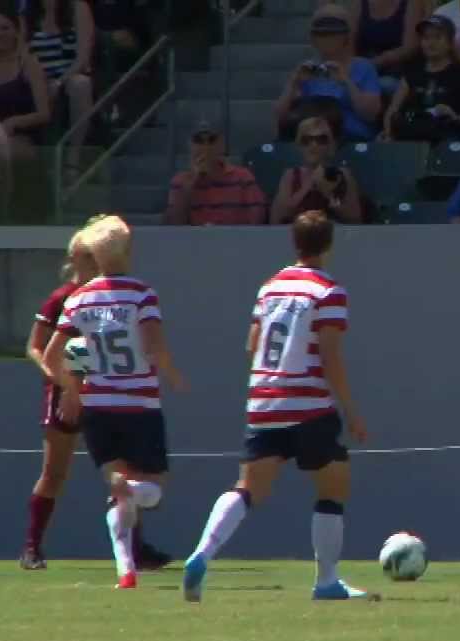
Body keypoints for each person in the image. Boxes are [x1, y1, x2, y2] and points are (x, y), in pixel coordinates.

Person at [182, 211, 373, 603]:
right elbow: (330, 356)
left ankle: (202, 552)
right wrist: (352, 411)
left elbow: (252, 345)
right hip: (308, 404)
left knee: (247, 488)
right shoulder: (328, 291)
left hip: (264, 400)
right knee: (334, 484)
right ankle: (326, 581)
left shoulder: (270, 287)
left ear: (294, 242)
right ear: (329, 244)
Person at [41, 216, 187, 590]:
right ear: (128, 251)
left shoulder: (80, 298)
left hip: (98, 408)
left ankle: (126, 570)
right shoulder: (141, 293)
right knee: (151, 492)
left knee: (117, 491)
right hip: (139, 404)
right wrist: (172, 373)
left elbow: (61, 350)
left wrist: (73, 390)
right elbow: (154, 343)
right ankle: (130, 491)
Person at [274, 5, 383, 142]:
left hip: (350, 137)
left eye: (333, 33)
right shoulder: (307, 69)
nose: (326, 38)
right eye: (320, 34)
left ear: (346, 36)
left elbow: (370, 114)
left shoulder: (364, 67)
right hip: (310, 138)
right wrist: (293, 83)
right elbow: (280, 117)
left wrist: (346, 81)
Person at [383, 15, 460, 141]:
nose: (431, 43)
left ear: (450, 43)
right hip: (413, 135)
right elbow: (393, 110)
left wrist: (456, 118)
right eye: (426, 37)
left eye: (437, 37)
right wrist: (388, 133)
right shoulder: (412, 73)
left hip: (449, 136)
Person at [24, 0, 93, 178]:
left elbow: (82, 59)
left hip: (69, 74)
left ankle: (73, 158)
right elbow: (22, 57)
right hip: (37, 76)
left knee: (81, 84)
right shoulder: (27, 12)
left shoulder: (77, 8)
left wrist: (60, 82)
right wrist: (40, 81)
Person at [0, 8, 51, 164]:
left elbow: (44, 114)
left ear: (16, 32)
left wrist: (14, 122)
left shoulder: (29, 64)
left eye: (5, 28)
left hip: (22, 138)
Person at [165, 123, 269, 225]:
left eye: (211, 140)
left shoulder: (243, 177)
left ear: (221, 145)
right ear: (190, 146)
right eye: (198, 141)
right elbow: (174, 227)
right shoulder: (179, 182)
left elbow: (258, 220)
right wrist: (187, 189)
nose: (206, 147)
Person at [270, 116, 364, 224]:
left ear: (331, 145)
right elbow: (277, 219)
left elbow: (355, 219)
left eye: (321, 140)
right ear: (299, 145)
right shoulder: (290, 175)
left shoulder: (342, 174)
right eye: (306, 140)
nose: (314, 145)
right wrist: (308, 184)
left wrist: (328, 194)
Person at [348, 0, 435, 92]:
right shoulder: (358, 3)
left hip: (398, 70)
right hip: (363, 68)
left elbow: (410, 48)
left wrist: (373, 64)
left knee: (383, 85)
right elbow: (349, 42)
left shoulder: (413, 3)